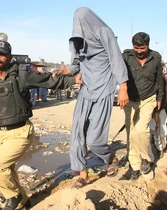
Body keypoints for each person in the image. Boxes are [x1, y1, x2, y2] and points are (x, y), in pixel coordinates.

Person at [0, 35, 81, 210]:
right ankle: (23, 200)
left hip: (21, 132)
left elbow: (48, 81)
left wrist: (73, 80)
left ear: (9, 56)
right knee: (7, 169)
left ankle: (13, 196)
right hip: (1, 133)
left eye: (1, 54)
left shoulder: (22, 74)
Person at [54, 7, 129, 188]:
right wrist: (67, 70)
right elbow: (76, 62)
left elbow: (116, 59)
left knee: (95, 139)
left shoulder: (105, 32)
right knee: (77, 134)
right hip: (86, 90)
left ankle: (110, 158)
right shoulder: (79, 39)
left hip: (104, 89)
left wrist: (123, 87)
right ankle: (83, 174)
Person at [122, 32, 164, 181]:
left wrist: (160, 98)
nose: (139, 51)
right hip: (131, 101)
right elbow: (119, 76)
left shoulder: (156, 58)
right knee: (131, 135)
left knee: (141, 130)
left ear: (148, 45)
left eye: (142, 48)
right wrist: (122, 90)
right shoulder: (126, 57)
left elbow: (160, 80)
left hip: (148, 99)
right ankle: (135, 167)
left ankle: (146, 159)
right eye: (136, 48)